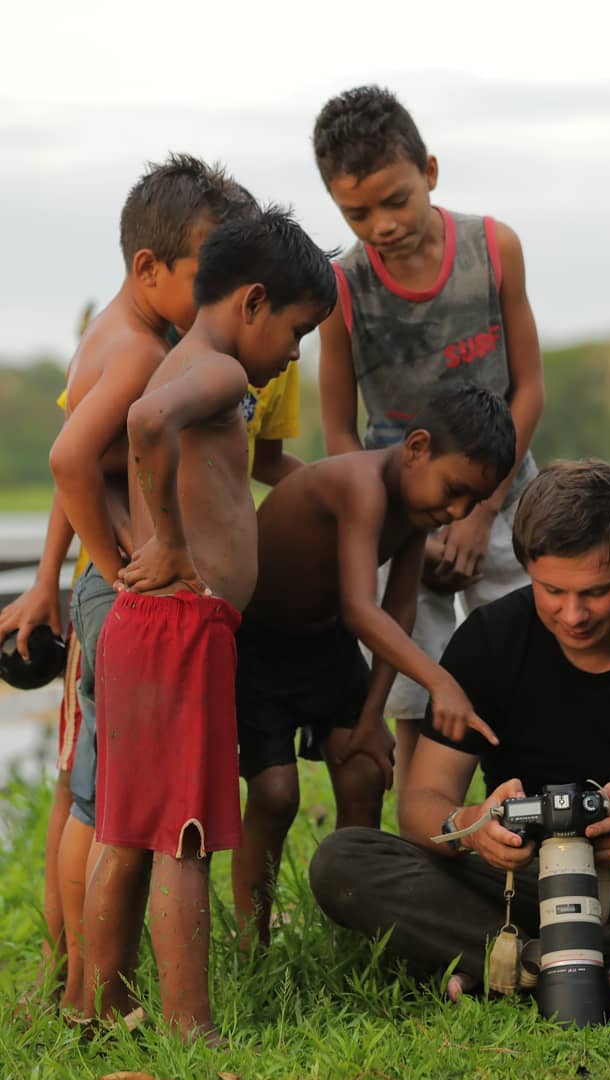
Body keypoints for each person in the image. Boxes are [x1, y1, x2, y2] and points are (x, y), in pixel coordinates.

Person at [309, 460, 610, 1010]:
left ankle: (516, 965)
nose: (573, 614)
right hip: (519, 884)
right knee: (342, 860)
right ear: (526, 569)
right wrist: (472, 827)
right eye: (552, 590)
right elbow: (422, 804)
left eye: (597, 592)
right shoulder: (490, 640)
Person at [78, 208, 336, 1041]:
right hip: (184, 625)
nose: (295, 353)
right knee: (183, 835)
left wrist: (136, 542)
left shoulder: (174, 362)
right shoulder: (222, 374)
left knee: (124, 831)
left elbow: (114, 448)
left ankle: (101, 1004)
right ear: (254, 302)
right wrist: (175, 543)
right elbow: (144, 429)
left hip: (142, 624)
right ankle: (191, 1029)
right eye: (298, 332)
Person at [13, 157, 258, 1011]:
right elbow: (69, 459)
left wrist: (62, 570)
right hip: (127, 605)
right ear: (149, 269)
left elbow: (91, 458)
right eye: (209, 277)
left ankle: (87, 994)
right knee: (102, 812)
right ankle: (86, 990)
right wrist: (119, 570)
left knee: (101, 807)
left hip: (112, 598)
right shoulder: (137, 353)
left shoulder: (127, 337)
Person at [313, 85, 545, 786]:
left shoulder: (492, 248)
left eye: (396, 201)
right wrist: (406, 522)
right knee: (414, 677)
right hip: (395, 507)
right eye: (356, 212)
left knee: (532, 645)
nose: (380, 225)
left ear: (430, 172)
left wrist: (476, 513)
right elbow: (337, 432)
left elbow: (528, 390)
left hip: (502, 492)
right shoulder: (340, 288)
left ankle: (536, 796)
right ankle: (428, 821)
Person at [231, 383, 516, 948]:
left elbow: (397, 609)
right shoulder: (358, 484)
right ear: (416, 447)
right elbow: (364, 609)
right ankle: (251, 942)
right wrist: (440, 681)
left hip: (326, 643)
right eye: (456, 490)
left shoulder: (415, 507)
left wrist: (371, 716)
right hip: (258, 646)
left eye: (471, 503)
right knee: (276, 795)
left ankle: (356, 936)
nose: (456, 512)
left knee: (365, 769)